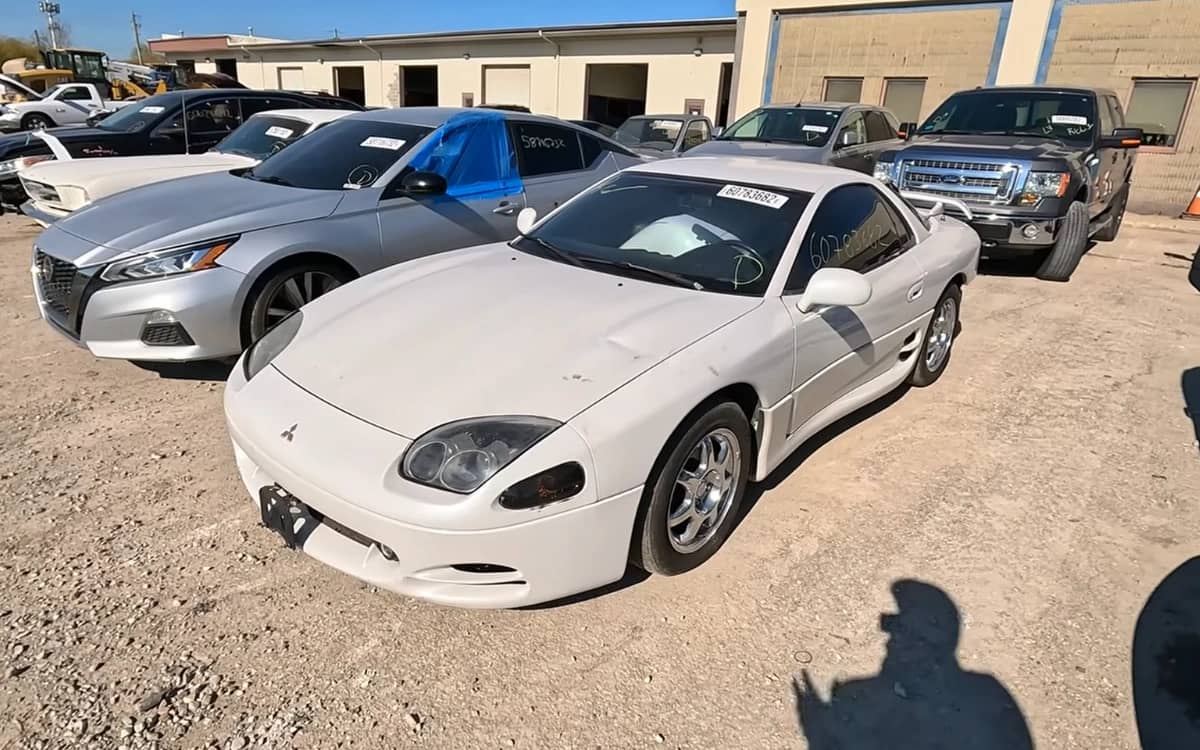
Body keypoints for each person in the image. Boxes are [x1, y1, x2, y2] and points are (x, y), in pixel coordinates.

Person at [795, 580, 1033, 749]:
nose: (890, 641)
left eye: (903, 631)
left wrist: (820, 732)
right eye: (896, 628)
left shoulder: (983, 697)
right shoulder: (986, 692)